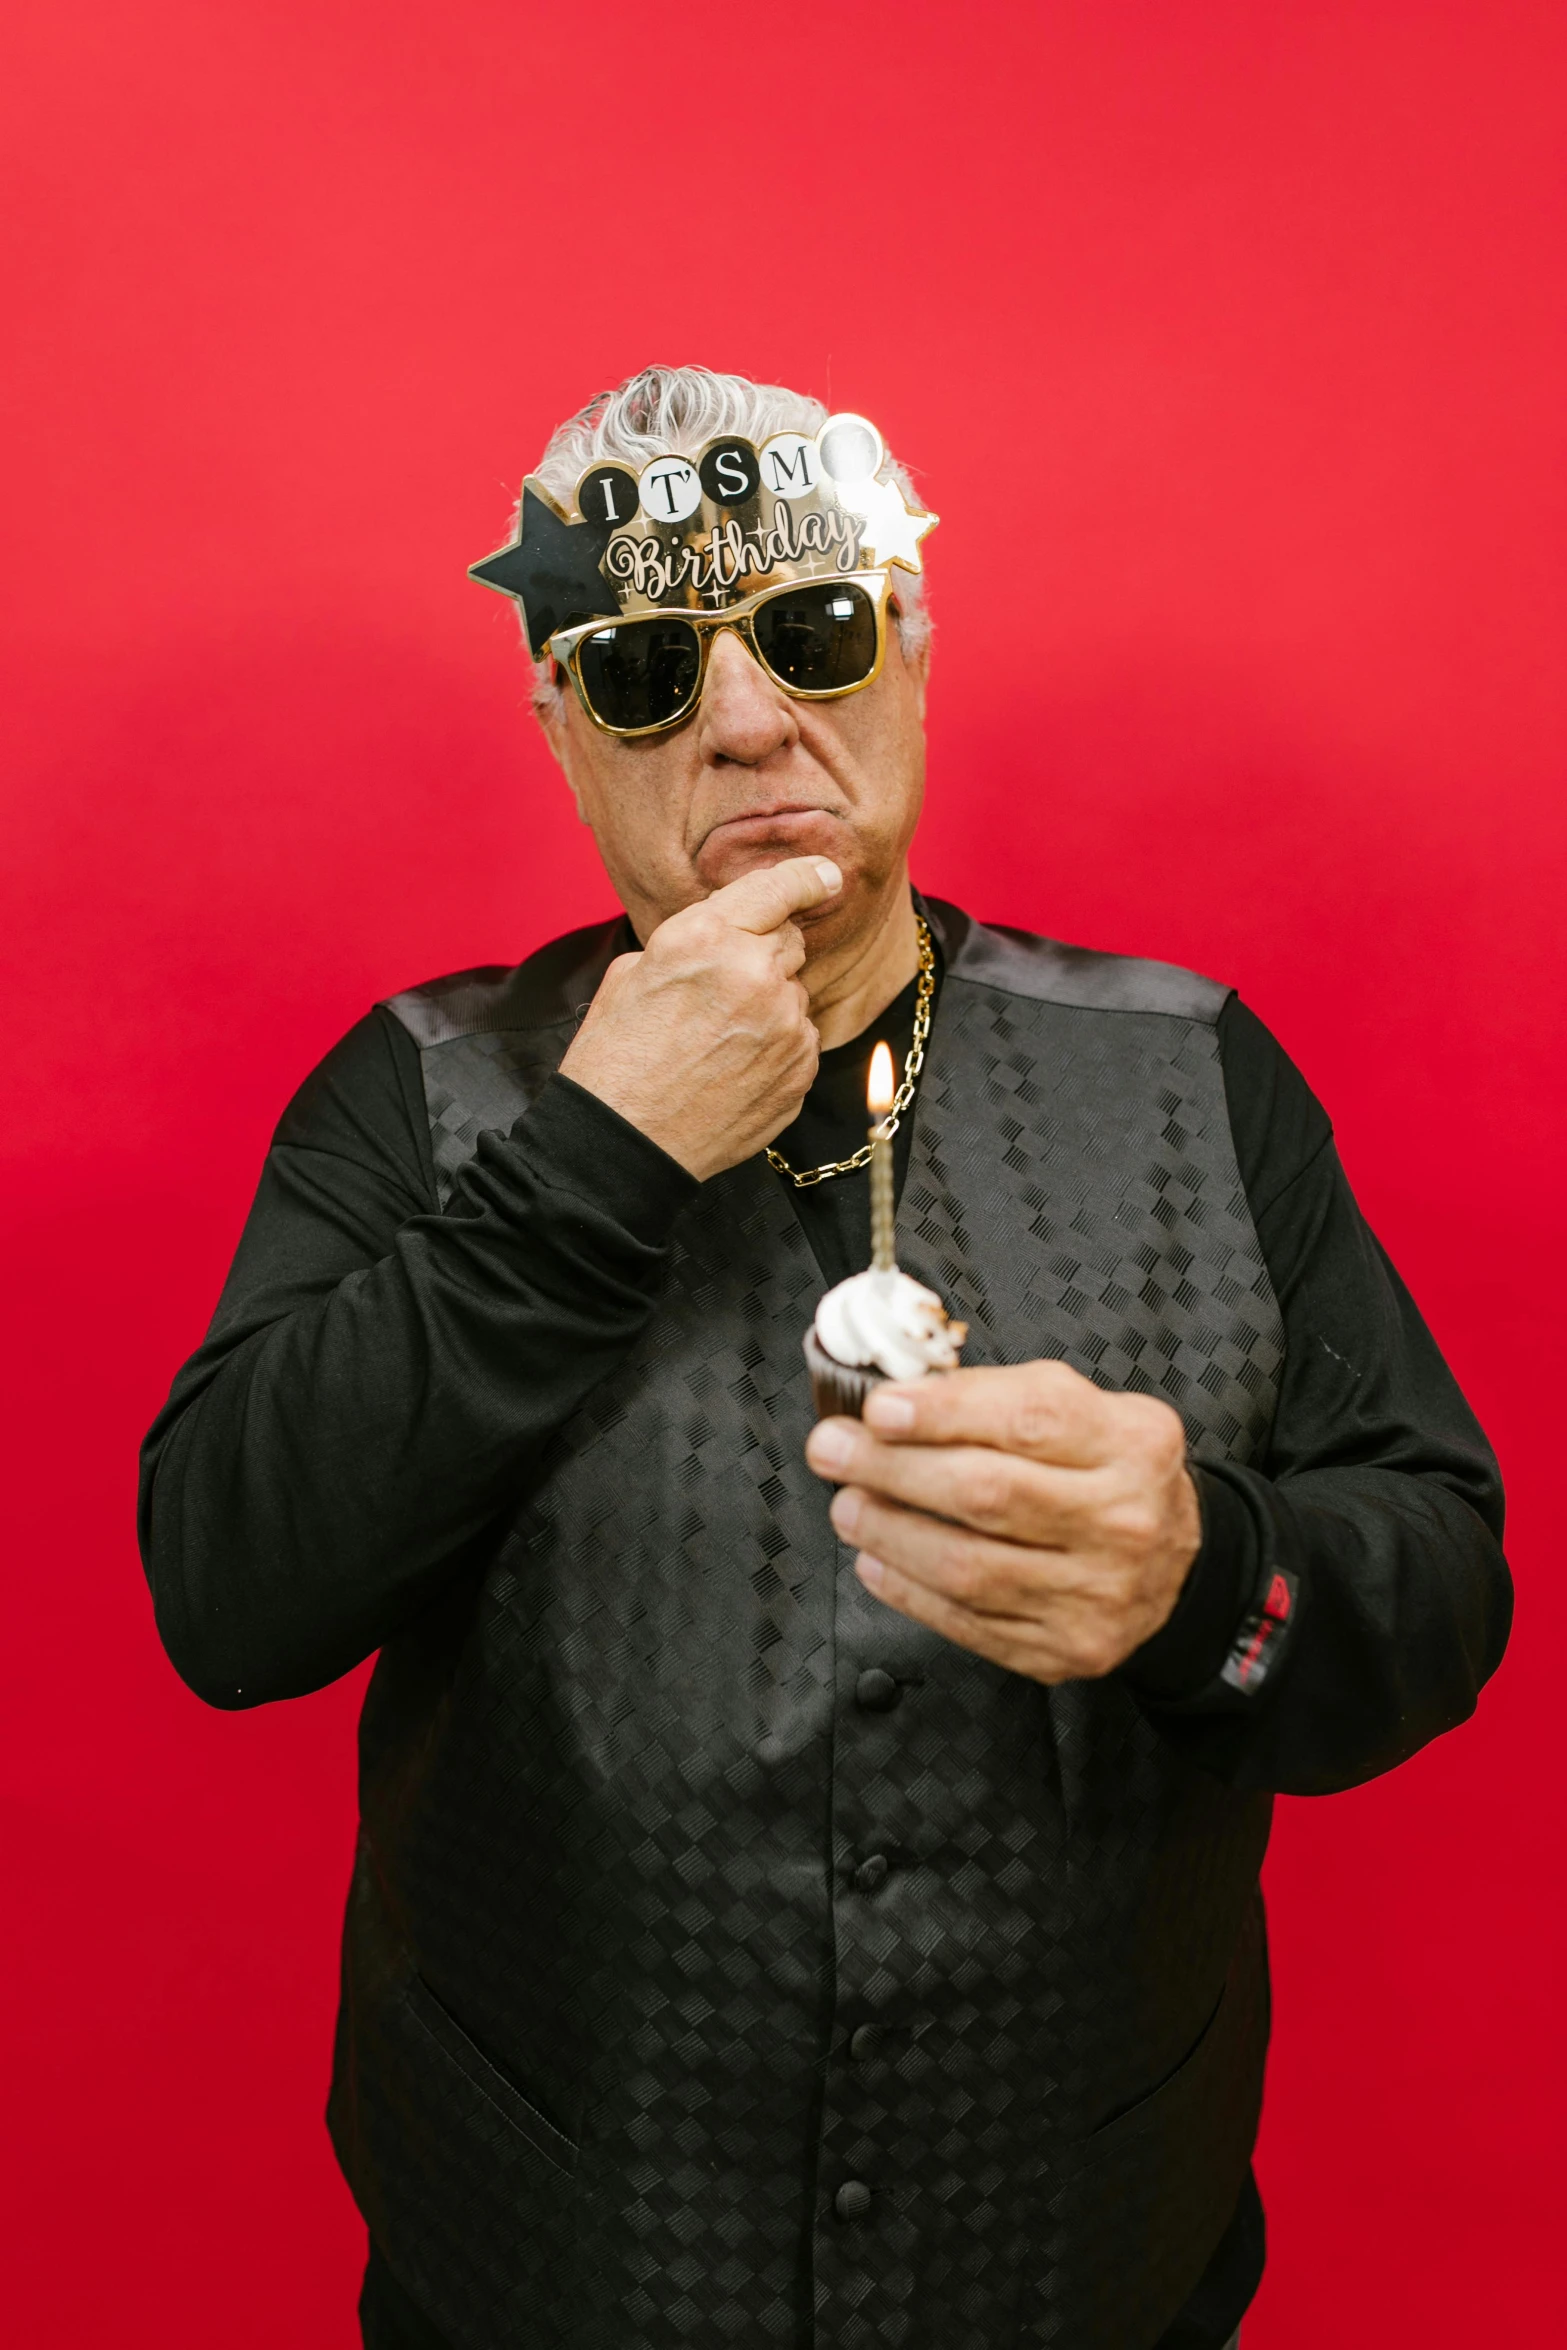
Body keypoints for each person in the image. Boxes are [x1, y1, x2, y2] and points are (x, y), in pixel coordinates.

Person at [139, 365, 1510, 2350]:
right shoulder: (416, 1100)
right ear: (560, 732)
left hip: (1082, 2271)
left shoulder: (1198, 1073)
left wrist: (1205, 1572)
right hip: (550, 2273)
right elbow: (228, 1586)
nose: (751, 719)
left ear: (914, 653)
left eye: (815, 630)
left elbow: (1440, 1584)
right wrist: (590, 1160)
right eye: (642, 670)